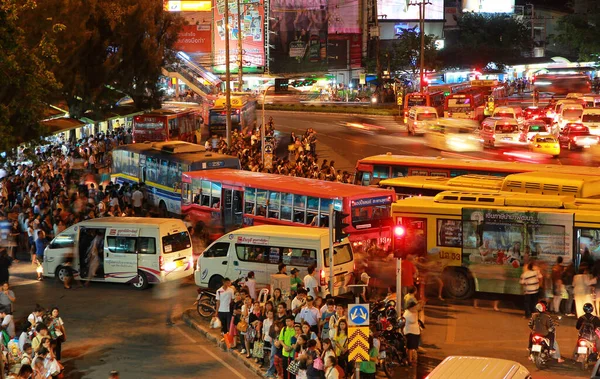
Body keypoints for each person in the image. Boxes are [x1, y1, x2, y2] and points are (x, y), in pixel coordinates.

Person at [403, 299, 421, 367]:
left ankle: (412, 359)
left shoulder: (415, 312)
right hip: (410, 332)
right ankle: (410, 360)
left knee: (413, 347)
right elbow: (412, 320)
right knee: (410, 347)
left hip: (415, 332)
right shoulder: (407, 313)